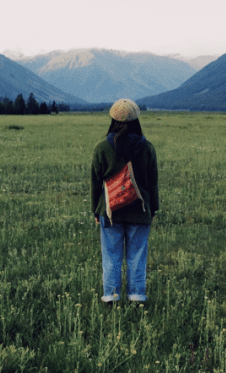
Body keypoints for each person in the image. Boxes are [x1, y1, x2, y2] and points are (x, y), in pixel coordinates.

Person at [90, 98, 159, 304]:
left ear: (112, 119)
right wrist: (153, 209)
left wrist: (96, 210)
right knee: (137, 257)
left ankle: (111, 298)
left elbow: (95, 183)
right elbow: (152, 183)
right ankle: (137, 297)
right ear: (136, 120)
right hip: (140, 210)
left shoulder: (102, 147)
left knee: (111, 256)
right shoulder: (147, 148)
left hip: (110, 211)